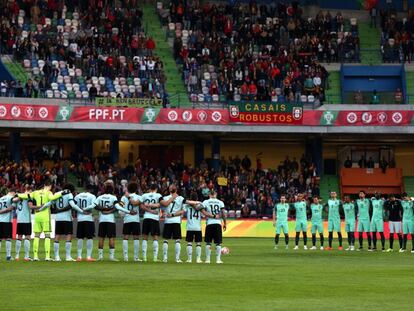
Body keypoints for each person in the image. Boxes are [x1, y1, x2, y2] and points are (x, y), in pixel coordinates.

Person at [18, 180, 63, 261]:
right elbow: (52, 198)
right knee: (47, 236)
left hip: (37, 216)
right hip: (45, 216)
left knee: (36, 236)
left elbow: (26, 196)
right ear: (49, 186)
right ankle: (47, 256)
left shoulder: (36, 192)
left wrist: (17, 194)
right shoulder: (49, 193)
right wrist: (61, 193)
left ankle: (35, 256)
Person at [94, 182, 135, 261]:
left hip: (102, 219)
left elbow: (95, 206)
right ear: (112, 190)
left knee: (101, 238)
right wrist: (128, 211)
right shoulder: (113, 197)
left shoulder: (100, 197)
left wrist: (103, 209)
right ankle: (111, 257)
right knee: (111, 238)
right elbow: (117, 207)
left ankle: (100, 257)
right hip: (110, 220)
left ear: (104, 190)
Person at [140, 184, 176, 262]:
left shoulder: (144, 195)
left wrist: (149, 210)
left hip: (146, 217)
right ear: (156, 188)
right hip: (154, 219)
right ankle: (155, 258)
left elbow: (141, 206)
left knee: (145, 238)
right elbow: (165, 204)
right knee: (155, 238)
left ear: (150, 188)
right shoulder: (158, 195)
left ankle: (144, 257)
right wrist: (172, 197)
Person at [162, 184, 186, 263]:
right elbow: (183, 210)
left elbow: (162, 208)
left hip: (168, 221)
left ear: (169, 190)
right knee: (177, 240)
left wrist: (165, 213)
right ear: (176, 190)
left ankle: (165, 258)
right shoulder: (181, 198)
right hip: (176, 221)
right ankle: (177, 258)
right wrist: (175, 214)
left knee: (166, 240)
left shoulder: (165, 198)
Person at [184, 192, 210, 263]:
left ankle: (189, 259)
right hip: (198, 227)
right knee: (198, 243)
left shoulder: (187, 205)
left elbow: (183, 211)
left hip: (189, 226)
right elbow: (203, 215)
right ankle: (198, 259)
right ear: (197, 197)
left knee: (189, 243)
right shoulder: (201, 203)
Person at [13, 185, 38, 261]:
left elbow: (13, 202)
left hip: (19, 220)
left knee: (19, 237)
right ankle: (26, 256)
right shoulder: (28, 197)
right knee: (27, 237)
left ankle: (17, 256)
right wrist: (40, 207)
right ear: (29, 190)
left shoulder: (19, 197)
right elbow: (30, 206)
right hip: (26, 220)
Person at [203, 190, 227, 264]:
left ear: (209, 194)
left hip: (209, 223)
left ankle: (207, 259)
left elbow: (203, 211)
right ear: (216, 194)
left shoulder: (205, 202)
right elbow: (223, 214)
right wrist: (225, 223)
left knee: (208, 243)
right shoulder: (220, 202)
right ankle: (218, 260)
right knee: (218, 243)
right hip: (217, 223)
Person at [73, 185, 97, 261]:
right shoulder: (92, 196)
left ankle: (79, 257)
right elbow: (94, 205)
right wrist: (86, 209)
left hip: (80, 219)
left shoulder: (77, 196)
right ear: (90, 189)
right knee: (89, 237)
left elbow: (74, 205)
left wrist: (81, 211)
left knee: (80, 238)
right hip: (89, 218)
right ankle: (88, 257)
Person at [120, 182, 142, 262]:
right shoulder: (139, 197)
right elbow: (137, 203)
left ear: (128, 188)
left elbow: (120, 207)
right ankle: (136, 257)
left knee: (125, 237)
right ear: (136, 189)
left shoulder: (123, 197)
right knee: (136, 238)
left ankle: (125, 257)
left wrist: (122, 214)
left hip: (127, 219)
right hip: (135, 220)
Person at [0, 189, 16, 261]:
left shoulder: (1, 198)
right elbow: (10, 208)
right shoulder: (11, 198)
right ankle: (8, 256)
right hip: (7, 221)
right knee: (8, 238)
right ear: (13, 192)